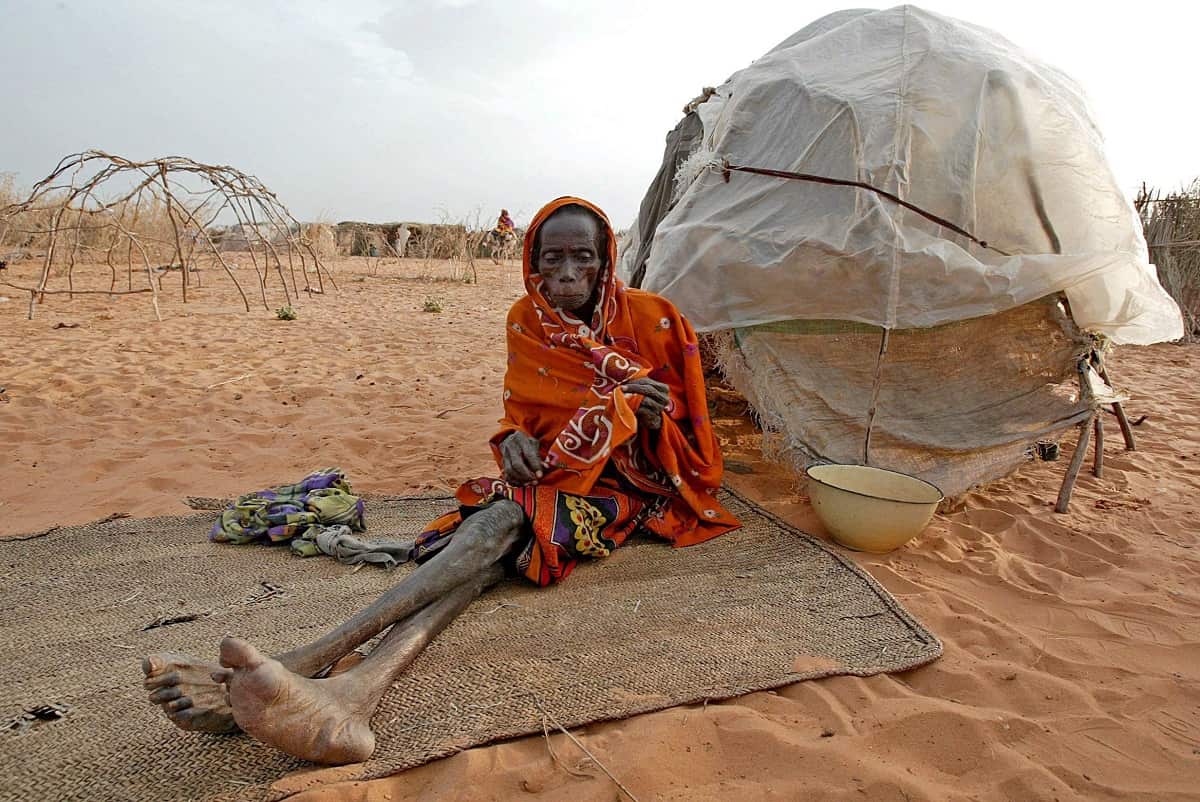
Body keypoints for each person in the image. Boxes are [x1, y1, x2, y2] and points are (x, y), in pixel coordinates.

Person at [141, 196, 739, 765]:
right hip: (555, 479)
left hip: (625, 493)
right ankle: (352, 697)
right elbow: (525, 414)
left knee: (501, 521)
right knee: (488, 551)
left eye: (583, 256)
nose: (567, 272)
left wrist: (648, 417)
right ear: (532, 261)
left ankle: (313, 659)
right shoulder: (527, 321)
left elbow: (693, 444)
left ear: (605, 259)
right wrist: (515, 443)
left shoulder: (654, 320)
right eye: (552, 257)